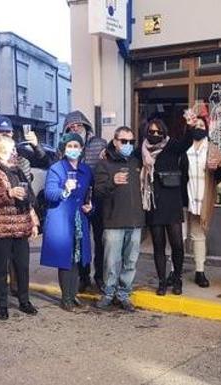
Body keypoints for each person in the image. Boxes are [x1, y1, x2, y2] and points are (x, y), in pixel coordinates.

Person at [0, 134, 39, 320]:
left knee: (22, 267)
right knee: (0, 270)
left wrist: (33, 219)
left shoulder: (18, 170)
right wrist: (9, 193)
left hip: (20, 227)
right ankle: (2, 305)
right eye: (10, 149)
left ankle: (24, 301)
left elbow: (28, 198)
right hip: (0, 229)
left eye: (13, 149)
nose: (14, 152)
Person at [40, 133, 94, 312]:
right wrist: (64, 190)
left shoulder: (86, 170)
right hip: (61, 219)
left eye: (76, 146)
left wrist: (90, 206)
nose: (73, 149)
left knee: (77, 258)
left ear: (81, 149)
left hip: (79, 218)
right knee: (65, 259)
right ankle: (66, 298)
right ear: (63, 149)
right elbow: (49, 194)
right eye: (69, 146)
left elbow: (89, 194)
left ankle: (73, 295)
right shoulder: (56, 169)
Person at [93, 126, 144, 312]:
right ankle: (108, 294)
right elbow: (98, 192)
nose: (128, 145)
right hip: (113, 221)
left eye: (131, 142)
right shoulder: (104, 164)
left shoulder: (136, 162)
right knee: (111, 262)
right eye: (124, 141)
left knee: (130, 263)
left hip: (135, 221)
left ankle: (124, 295)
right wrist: (112, 182)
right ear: (115, 141)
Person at [142, 118, 193, 296]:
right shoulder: (142, 149)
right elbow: (123, 154)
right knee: (158, 245)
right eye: (151, 132)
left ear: (164, 132)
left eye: (158, 132)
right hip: (154, 204)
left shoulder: (171, 145)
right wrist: (106, 150)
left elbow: (187, 142)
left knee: (177, 244)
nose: (155, 135)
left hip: (172, 202)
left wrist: (191, 125)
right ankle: (162, 282)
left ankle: (177, 278)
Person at [180, 110, 221, 288]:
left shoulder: (212, 148)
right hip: (184, 197)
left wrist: (217, 169)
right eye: (196, 126)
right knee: (178, 237)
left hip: (202, 198)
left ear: (207, 128)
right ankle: (173, 271)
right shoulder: (183, 148)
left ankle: (200, 272)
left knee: (198, 236)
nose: (199, 128)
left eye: (202, 126)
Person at [63, 111, 107, 293]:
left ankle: (100, 277)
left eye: (78, 125)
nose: (75, 129)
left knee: (100, 239)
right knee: (81, 239)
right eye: (71, 127)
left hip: (97, 197)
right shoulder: (66, 146)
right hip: (77, 199)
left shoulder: (100, 144)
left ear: (85, 126)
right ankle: (84, 276)